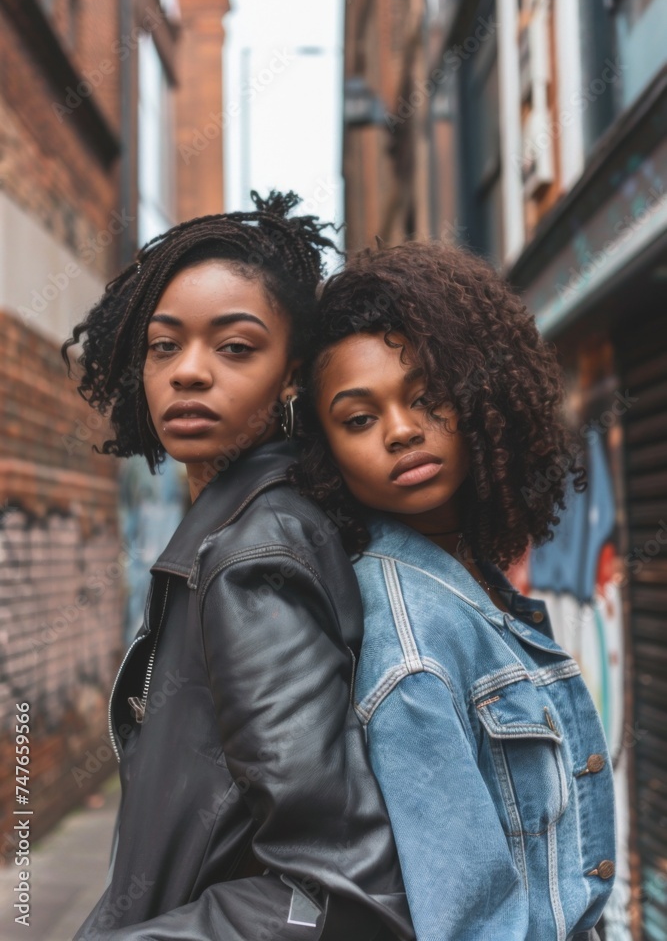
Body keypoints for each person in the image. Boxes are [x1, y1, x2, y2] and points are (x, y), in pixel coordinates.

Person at [62, 192, 414, 941]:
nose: (189, 372)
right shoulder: (232, 530)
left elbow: (333, 892)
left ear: (292, 376)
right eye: (164, 346)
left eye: (235, 347)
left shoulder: (254, 556)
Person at [292, 240, 616, 941]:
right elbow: (468, 921)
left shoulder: (470, 580)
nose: (402, 431)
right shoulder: (409, 639)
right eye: (358, 418)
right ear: (325, 449)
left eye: (426, 397)